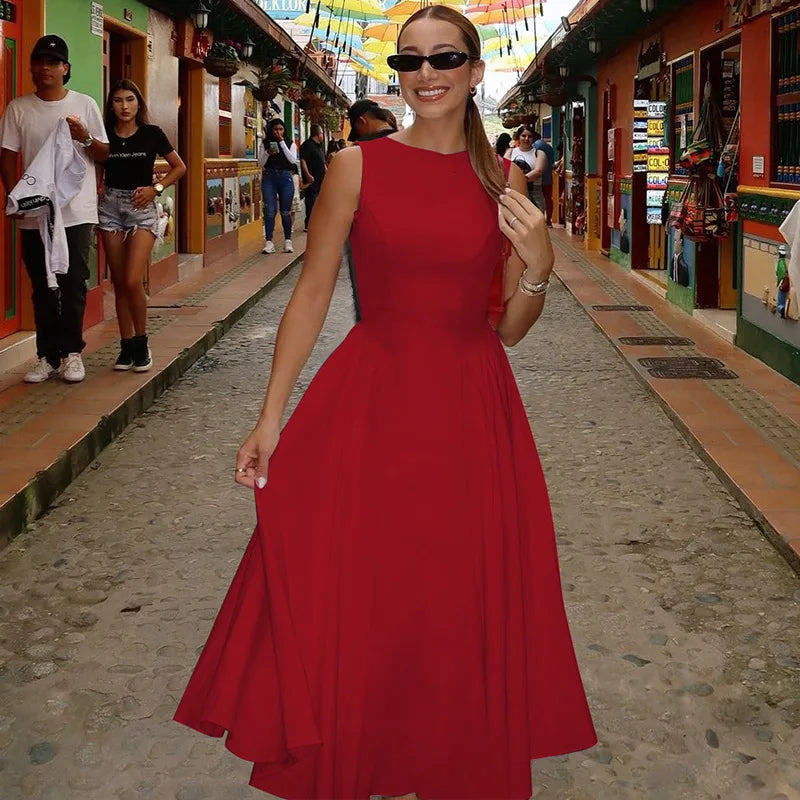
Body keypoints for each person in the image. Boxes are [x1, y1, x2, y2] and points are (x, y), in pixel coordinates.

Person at [174, 5, 596, 799]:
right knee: (366, 599)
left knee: (453, 604)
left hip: (473, 413)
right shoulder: (355, 168)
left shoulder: (504, 184)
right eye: (410, 62)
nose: (426, 75)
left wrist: (538, 262)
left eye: (445, 59)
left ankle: (445, 760)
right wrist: (270, 417)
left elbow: (510, 327)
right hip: (370, 408)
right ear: (396, 75)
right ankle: (362, 757)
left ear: (476, 73)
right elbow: (310, 293)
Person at [0, 35, 109, 384]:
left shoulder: (85, 105)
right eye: (39, 61)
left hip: (76, 211)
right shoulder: (18, 108)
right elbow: (7, 155)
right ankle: (47, 356)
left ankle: (73, 354)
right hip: (35, 210)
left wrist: (84, 137)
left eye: (52, 62)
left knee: (72, 280)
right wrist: (13, 197)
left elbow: (104, 152)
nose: (44, 68)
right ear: (32, 67)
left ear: (65, 68)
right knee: (40, 284)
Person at [97, 79, 185, 372]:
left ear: (138, 104)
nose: (124, 106)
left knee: (133, 279)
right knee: (119, 281)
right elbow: (94, 163)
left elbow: (179, 167)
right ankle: (126, 346)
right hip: (109, 207)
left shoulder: (151, 134)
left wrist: (156, 189)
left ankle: (142, 340)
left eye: (130, 100)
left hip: (142, 208)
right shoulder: (105, 135)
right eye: (119, 100)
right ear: (111, 105)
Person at [259, 118, 298, 255]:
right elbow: (260, 163)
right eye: (275, 129)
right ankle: (269, 242)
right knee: (269, 210)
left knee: (285, 211)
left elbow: (292, 160)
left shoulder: (290, 143)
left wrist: (282, 143)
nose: (278, 132)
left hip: (285, 177)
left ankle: (288, 240)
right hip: (269, 177)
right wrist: (266, 153)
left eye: (281, 129)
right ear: (271, 130)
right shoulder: (265, 143)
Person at [510, 124, 547, 213]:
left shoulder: (539, 153)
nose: (526, 139)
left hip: (534, 192)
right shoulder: (510, 152)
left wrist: (519, 179)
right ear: (518, 137)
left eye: (529, 136)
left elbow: (538, 171)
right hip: (514, 192)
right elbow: (505, 170)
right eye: (523, 136)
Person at [299, 124, 326, 231]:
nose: (323, 135)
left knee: (318, 201)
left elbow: (322, 161)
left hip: (320, 178)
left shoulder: (319, 145)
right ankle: (309, 224)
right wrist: (308, 175)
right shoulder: (307, 145)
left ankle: (317, 222)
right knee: (311, 201)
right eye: (322, 133)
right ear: (318, 133)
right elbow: (303, 160)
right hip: (311, 179)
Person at [532, 131, 555, 226]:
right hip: (548, 177)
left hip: (537, 178)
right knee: (548, 198)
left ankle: (538, 221)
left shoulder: (535, 147)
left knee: (537, 199)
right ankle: (548, 220)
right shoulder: (549, 147)